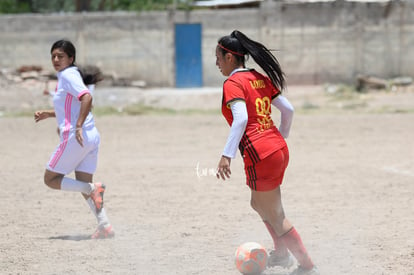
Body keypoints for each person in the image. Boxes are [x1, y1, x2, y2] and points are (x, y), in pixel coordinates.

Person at [215, 30, 319, 275]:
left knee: (276, 213)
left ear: (230, 57)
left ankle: (307, 266)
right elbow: (289, 110)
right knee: (258, 204)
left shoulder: (233, 82)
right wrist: (279, 138)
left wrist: (226, 155)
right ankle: (282, 254)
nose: (217, 63)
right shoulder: (258, 77)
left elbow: (240, 119)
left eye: (218, 57)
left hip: (260, 153)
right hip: (276, 149)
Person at [34, 39, 114, 239]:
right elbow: (73, 106)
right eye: (53, 56)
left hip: (76, 137)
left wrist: (77, 125)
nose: (56, 59)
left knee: (50, 179)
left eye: (60, 56)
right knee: (82, 183)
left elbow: (87, 98)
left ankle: (92, 189)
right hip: (90, 136)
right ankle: (104, 225)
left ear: (71, 58)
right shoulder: (69, 75)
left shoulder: (68, 75)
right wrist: (50, 114)